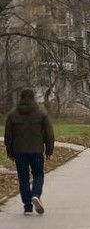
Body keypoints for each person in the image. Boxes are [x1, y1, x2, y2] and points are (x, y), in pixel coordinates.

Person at [4, 88, 55, 216]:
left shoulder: (12, 114)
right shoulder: (41, 113)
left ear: (21, 98)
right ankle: (36, 195)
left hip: (19, 151)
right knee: (38, 174)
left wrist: (10, 152)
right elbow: (49, 133)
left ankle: (27, 207)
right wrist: (49, 150)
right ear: (33, 98)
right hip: (36, 150)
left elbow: (8, 136)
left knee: (23, 177)